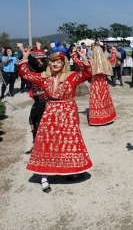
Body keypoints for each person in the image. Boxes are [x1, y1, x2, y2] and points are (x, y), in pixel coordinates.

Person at [17, 46, 93, 193]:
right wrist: (25, 57)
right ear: (49, 64)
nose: (55, 64)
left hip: (68, 112)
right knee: (47, 142)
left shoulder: (72, 77)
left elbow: (87, 73)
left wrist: (83, 57)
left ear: (63, 63)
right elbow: (25, 74)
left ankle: (71, 170)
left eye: (58, 61)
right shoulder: (44, 78)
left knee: (68, 141)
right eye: (52, 62)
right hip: (51, 112)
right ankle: (44, 177)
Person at [17, 42, 49, 154]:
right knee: (33, 121)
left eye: (40, 58)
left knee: (43, 124)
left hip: (46, 102)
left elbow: (37, 64)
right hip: (38, 101)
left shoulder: (45, 69)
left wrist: (24, 52)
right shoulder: (36, 73)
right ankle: (36, 145)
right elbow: (25, 69)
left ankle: (44, 147)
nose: (38, 60)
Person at [73, 46, 116, 125]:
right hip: (103, 82)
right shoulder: (106, 61)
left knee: (96, 99)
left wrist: (73, 54)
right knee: (105, 98)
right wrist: (113, 52)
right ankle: (107, 117)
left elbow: (79, 63)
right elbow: (113, 60)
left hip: (95, 83)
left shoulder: (90, 62)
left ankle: (98, 119)